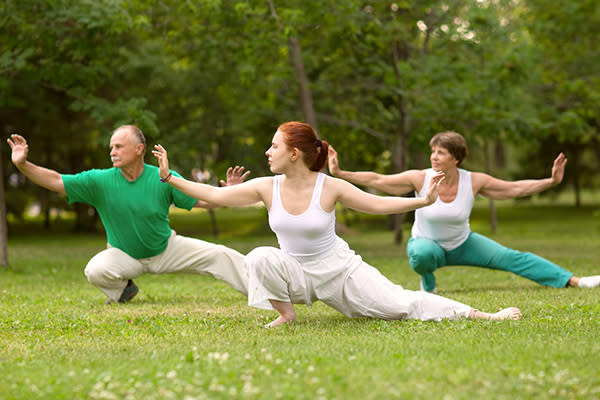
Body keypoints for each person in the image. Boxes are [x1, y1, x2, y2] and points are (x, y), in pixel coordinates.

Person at [152, 122, 522, 327]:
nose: (267, 152)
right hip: (296, 273)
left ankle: (483, 315)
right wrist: (170, 178)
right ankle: (287, 315)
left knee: (401, 306)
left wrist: (422, 200)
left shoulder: (330, 187)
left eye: (273, 146)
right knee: (260, 256)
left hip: (340, 272)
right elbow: (214, 196)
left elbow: (377, 203)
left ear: (293, 153)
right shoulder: (266, 187)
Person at [328, 131, 600, 293]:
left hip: (463, 243)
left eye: (441, 152)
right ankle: (428, 282)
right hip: (428, 245)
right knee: (422, 255)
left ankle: (574, 281)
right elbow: (378, 180)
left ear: (456, 158)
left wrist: (550, 182)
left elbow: (513, 189)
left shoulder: (474, 180)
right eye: (433, 151)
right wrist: (341, 173)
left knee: (514, 258)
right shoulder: (419, 178)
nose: (434, 156)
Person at [7, 125, 250, 304]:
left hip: (166, 249)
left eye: (119, 146)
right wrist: (22, 165)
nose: (112, 151)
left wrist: (229, 192)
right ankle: (124, 291)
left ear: (139, 149)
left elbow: (203, 201)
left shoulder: (163, 177)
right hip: (124, 255)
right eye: (111, 147)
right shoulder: (99, 181)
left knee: (220, 254)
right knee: (95, 270)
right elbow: (57, 180)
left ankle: (263, 291)